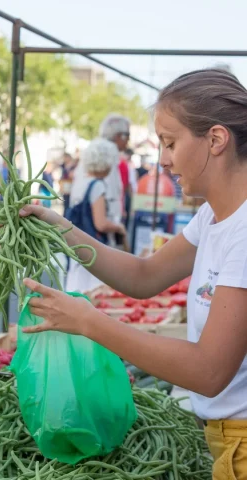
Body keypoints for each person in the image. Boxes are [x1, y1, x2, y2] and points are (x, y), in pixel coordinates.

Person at [20, 69, 247, 479]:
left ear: (215, 139)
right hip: (226, 436)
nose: (162, 158)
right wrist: (59, 228)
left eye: (170, 142)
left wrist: (89, 322)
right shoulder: (213, 214)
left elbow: (209, 372)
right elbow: (145, 276)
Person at [65, 138, 127, 293]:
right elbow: (101, 223)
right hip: (92, 250)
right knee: (91, 295)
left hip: (78, 247)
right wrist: (119, 227)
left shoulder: (81, 182)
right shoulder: (98, 185)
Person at [99, 114, 130, 247]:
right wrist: (116, 227)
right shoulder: (108, 155)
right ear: (119, 136)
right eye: (128, 135)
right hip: (104, 229)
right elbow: (108, 195)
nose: (128, 140)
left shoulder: (111, 155)